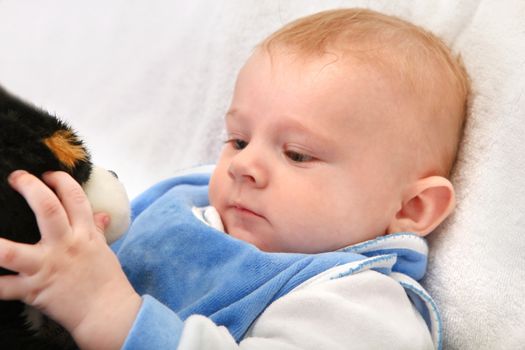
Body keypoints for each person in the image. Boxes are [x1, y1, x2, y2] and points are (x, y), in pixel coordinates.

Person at [0, 8, 469, 350]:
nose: (245, 165)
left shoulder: (360, 307)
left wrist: (103, 311)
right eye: (239, 140)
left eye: (297, 154)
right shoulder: (189, 203)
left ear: (411, 209)